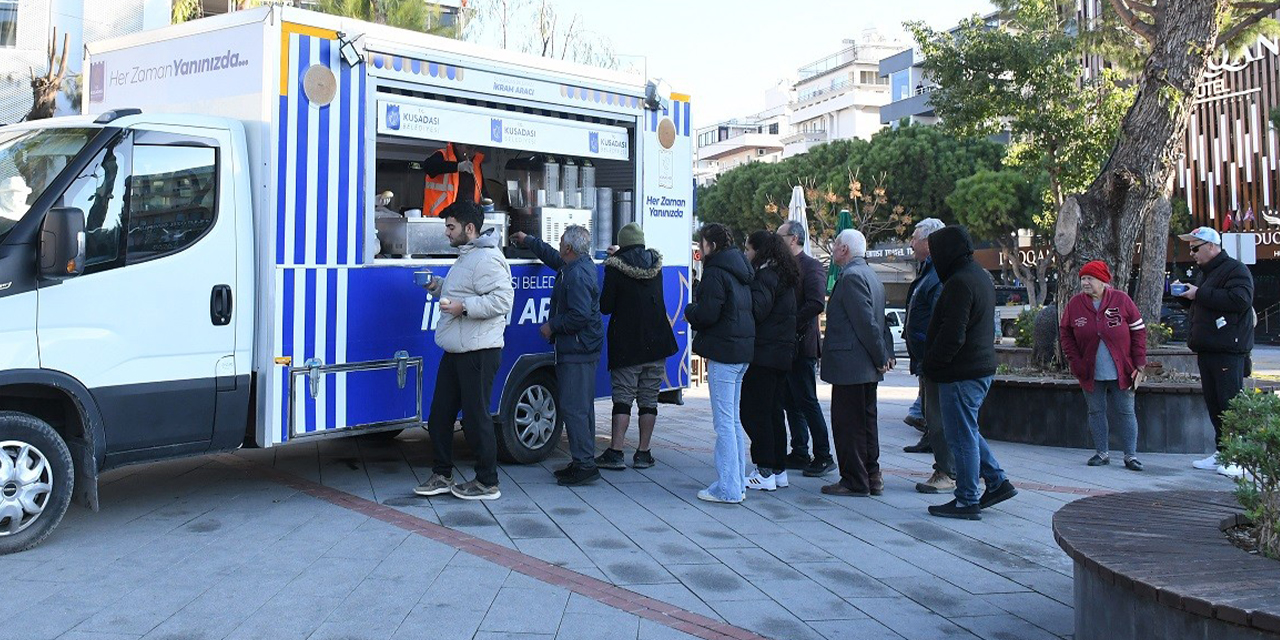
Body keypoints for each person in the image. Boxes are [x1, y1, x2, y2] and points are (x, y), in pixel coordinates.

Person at [414, 200, 514, 501]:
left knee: (475, 417)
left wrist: (464, 308)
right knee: (439, 415)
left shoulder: (487, 258)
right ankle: (442, 474)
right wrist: (436, 286)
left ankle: (487, 481)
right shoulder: (468, 255)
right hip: (458, 349)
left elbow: (503, 300)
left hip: (479, 351)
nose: (446, 233)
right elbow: (463, 291)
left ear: (469, 229)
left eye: (451, 227)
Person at [923, 225, 1016, 520]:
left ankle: (966, 499)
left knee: (961, 436)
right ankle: (997, 481)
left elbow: (953, 335)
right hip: (977, 367)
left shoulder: (959, 283)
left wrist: (933, 364)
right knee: (967, 431)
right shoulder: (978, 276)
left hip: (961, 371)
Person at [511, 226, 604, 486]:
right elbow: (553, 258)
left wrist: (552, 325)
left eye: (561, 241)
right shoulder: (576, 266)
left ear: (569, 248)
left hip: (577, 349)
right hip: (581, 348)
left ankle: (585, 466)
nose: (559, 244)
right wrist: (528, 240)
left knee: (575, 409)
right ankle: (582, 460)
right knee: (581, 408)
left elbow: (579, 316)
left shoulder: (576, 275)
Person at [595, 223, 679, 471]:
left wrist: (613, 259)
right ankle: (643, 453)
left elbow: (606, 306)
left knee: (623, 398)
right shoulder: (656, 265)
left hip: (628, 343)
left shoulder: (615, 268)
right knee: (648, 399)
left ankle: (616, 452)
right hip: (657, 342)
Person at [1174, 226, 1255, 478]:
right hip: (1208, 349)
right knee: (1214, 404)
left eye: (1195, 248)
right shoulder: (1207, 274)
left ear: (1212, 246)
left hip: (1228, 350)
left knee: (1230, 403)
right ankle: (1223, 451)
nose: (1192, 253)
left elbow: (1240, 300)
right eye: (1190, 248)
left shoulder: (1235, 269)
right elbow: (1208, 303)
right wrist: (1187, 297)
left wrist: (1200, 293)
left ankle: (1239, 457)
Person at [819, 229, 893, 497]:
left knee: (848, 425)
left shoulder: (851, 277)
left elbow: (866, 323)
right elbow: (878, 321)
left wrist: (880, 355)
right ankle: (872, 476)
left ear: (845, 250)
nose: (833, 248)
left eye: (836, 245)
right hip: (864, 367)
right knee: (866, 423)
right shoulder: (871, 275)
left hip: (851, 365)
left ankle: (854, 480)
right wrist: (883, 354)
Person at [685, 223, 755, 503]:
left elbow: (708, 314)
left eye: (702, 243)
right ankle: (735, 483)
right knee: (733, 421)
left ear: (711, 246)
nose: (701, 248)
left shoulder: (716, 272)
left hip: (724, 353)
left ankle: (728, 488)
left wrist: (690, 310)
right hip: (741, 352)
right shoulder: (741, 270)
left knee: (724, 423)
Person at [1059, 260, 1148, 471]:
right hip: (1089, 371)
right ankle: (1102, 453)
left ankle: (1130, 456)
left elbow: (1139, 332)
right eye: (1083, 278)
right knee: (1096, 411)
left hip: (1122, 370)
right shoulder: (1075, 304)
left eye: (1090, 278)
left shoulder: (1121, 300)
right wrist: (1075, 361)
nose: (1085, 283)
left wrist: (1139, 363)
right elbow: (1065, 333)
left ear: (1103, 281)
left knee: (1126, 411)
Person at [773, 220, 834, 477]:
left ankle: (823, 454)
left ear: (794, 239)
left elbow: (816, 303)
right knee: (790, 401)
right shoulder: (783, 266)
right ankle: (799, 450)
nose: (777, 242)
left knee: (807, 400)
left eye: (780, 237)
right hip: (785, 345)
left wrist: (790, 321)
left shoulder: (811, 266)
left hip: (802, 344)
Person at [741, 231, 798, 491]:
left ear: (759, 252)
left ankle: (764, 470)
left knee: (754, 412)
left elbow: (757, 309)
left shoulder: (765, 276)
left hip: (764, 354)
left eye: (748, 250)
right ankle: (777, 469)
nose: (745, 254)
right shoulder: (785, 275)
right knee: (774, 412)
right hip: (781, 354)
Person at [903, 218, 956, 493]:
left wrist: (932, 356)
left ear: (929, 242)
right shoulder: (929, 271)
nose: (911, 242)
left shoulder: (939, 275)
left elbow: (939, 320)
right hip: (925, 359)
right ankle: (947, 467)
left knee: (938, 418)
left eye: (915, 237)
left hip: (932, 359)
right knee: (931, 415)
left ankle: (948, 471)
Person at [423, 142, 485, 218]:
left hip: (468, 218)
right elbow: (428, 166)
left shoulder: (476, 164)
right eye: (468, 148)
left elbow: (482, 191)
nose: (472, 152)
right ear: (457, 145)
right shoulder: (443, 155)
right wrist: (457, 166)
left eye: (475, 149)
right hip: (440, 217)